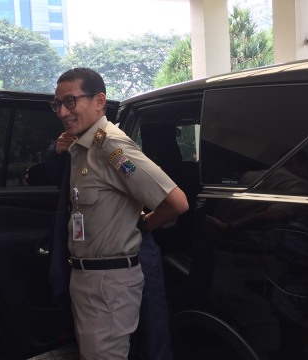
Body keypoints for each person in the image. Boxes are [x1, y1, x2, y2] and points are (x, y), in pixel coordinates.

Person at [51, 67, 189, 359]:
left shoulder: (110, 146)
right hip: (88, 278)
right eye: (58, 104)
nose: (63, 112)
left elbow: (176, 202)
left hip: (108, 282)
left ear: (99, 101)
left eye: (71, 102)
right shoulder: (82, 146)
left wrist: (144, 225)